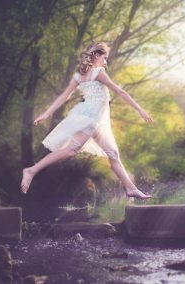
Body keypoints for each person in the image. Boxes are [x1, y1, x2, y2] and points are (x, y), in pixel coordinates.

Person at [20, 42, 153, 200]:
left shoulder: (79, 75)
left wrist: (47, 113)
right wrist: (139, 109)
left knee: (114, 155)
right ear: (96, 56)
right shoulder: (98, 72)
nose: (106, 61)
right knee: (71, 150)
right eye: (105, 57)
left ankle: (131, 189)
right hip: (90, 118)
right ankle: (31, 170)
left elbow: (64, 96)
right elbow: (120, 91)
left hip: (95, 120)